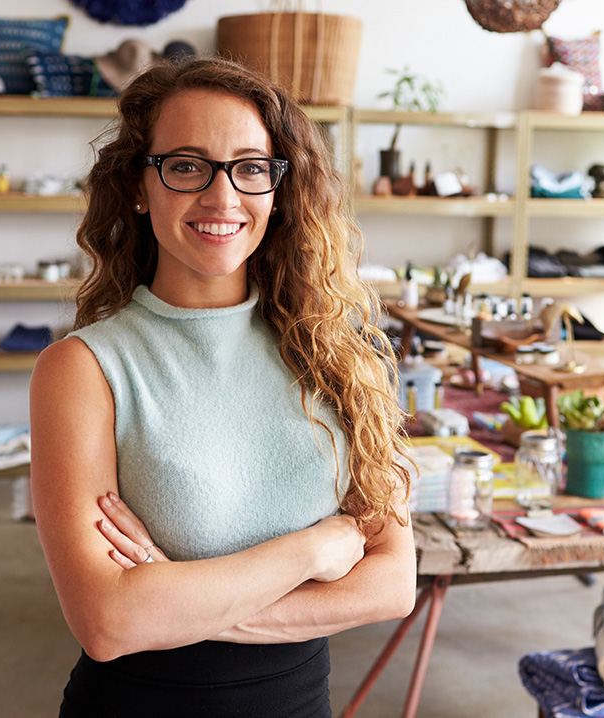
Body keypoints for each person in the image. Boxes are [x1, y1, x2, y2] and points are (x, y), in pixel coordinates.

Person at [29, 56, 416, 717]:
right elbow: (108, 623)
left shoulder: (337, 355)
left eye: (250, 167)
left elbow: (391, 586)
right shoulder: (82, 370)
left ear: (278, 187)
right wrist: (311, 549)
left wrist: (175, 601)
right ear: (138, 185)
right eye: (186, 165)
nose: (222, 196)